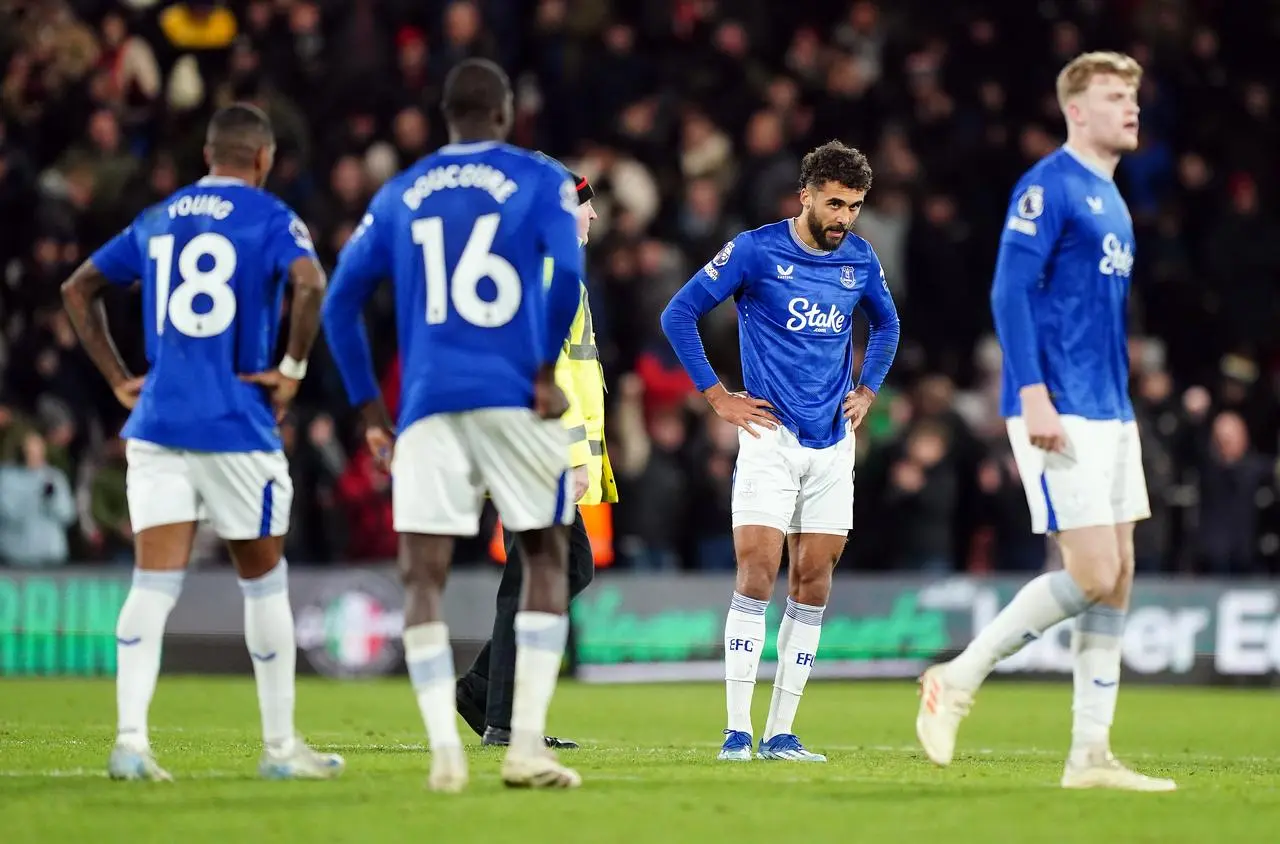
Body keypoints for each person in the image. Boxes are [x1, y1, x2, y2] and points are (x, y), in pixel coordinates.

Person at [914, 51, 1176, 792]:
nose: (1131, 106)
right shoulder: (1048, 186)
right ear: (1076, 111)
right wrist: (1031, 394)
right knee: (1091, 572)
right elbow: (1008, 292)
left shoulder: (1115, 199)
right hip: (1058, 406)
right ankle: (956, 679)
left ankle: (1089, 755)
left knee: (1118, 576)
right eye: (1114, 96)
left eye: (1133, 94)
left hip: (1110, 407)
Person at [321, 58, 584, 792]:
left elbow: (340, 305)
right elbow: (567, 274)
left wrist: (372, 412)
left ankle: (445, 751)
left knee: (422, 578)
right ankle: (525, 747)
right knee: (545, 558)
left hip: (428, 405)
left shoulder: (401, 191)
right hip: (512, 398)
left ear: (446, 117)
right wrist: (540, 370)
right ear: (504, 114)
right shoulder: (540, 180)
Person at [60, 103, 341, 782]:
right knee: (263, 585)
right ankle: (280, 751)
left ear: (208, 157)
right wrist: (294, 371)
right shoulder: (273, 219)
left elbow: (78, 288)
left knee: (152, 585)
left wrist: (121, 379)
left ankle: (130, 742)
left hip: (157, 423)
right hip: (236, 424)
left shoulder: (159, 218)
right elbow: (310, 283)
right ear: (264, 160)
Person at [660, 141, 900, 762]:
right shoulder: (754, 250)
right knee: (757, 573)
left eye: (855, 206)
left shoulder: (861, 259)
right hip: (769, 436)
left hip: (832, 444)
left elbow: (888, 325)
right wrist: (717, 397)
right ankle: (737, 732)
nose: (845, 217)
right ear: (807, 195)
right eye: (836, 203)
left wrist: (868, 389)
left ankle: (781, 733)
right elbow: (679, 314)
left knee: (813, 582)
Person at [455, 162, 615, 750]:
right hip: (541, 447)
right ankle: (503, 717)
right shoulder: (554, 272)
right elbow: (543, 371)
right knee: (537, 576)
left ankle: (484, 694)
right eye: (583, 204)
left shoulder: (537, 269)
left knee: (558, 569)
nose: (592, 213)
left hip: (529, 444)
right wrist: (573, 453)